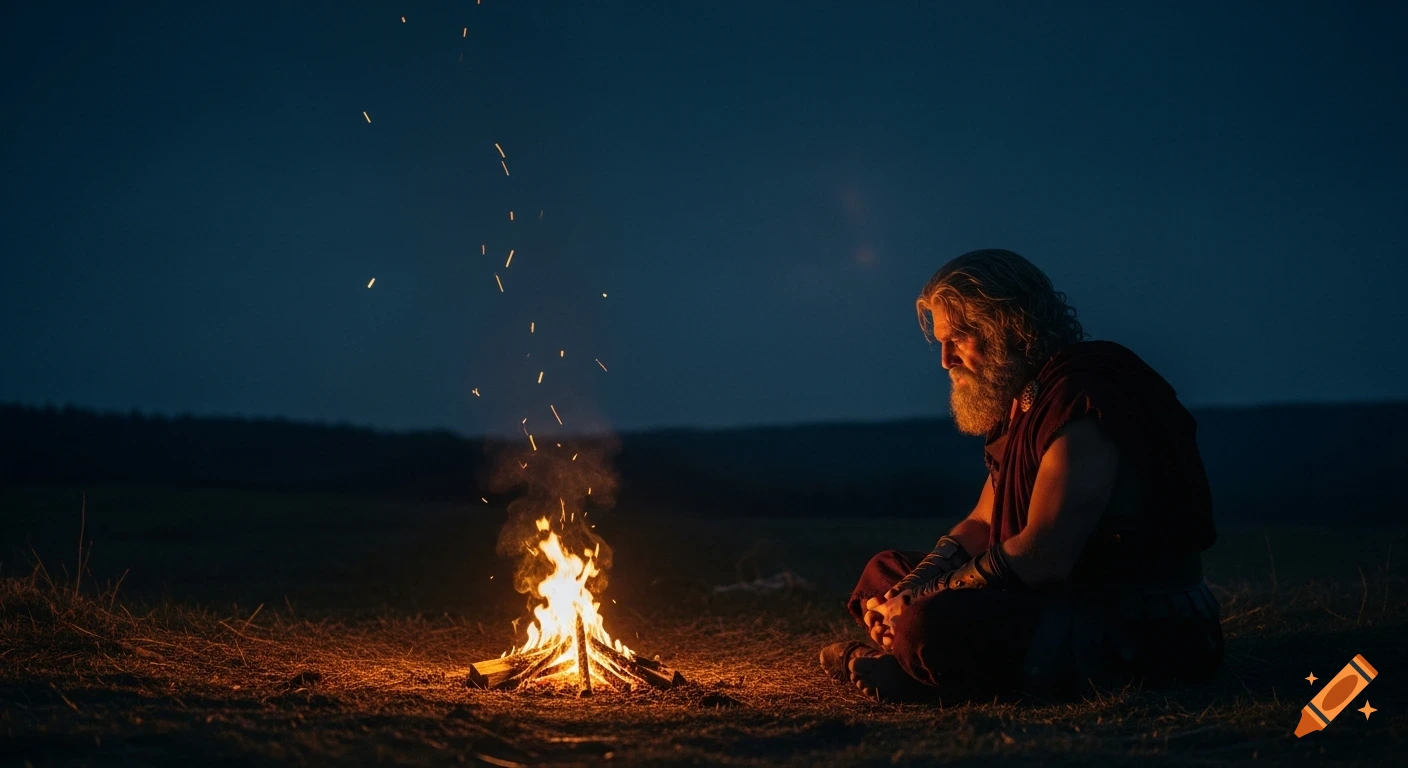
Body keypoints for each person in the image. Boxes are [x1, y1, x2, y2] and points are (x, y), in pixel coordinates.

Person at [820, 249, 1223, 702]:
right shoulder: (1020, 400)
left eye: (960, 338)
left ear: (1010, 326)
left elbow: (1044, 556)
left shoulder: (1082, 400)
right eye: (942, 343)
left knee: (927, 624)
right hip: (1051, 598)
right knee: (884, 572)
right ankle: (918, 659)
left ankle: (923, 675)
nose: (945, 360)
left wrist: (916, 604)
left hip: (1125, 621)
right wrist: (909, 587)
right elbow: (980, 523)